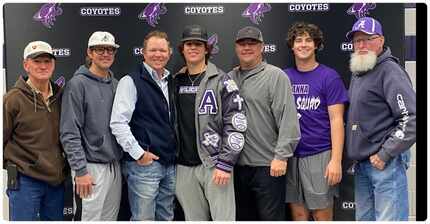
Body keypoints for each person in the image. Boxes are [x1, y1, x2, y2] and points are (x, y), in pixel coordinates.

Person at [345, 17, 416, 221]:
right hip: (363, 165)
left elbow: (411, 117)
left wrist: (385, 153)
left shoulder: (390, 71)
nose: (361, 45)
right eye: (357, 40)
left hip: (385, 165)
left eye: (368, 39)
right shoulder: (360, 71)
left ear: (381, 40)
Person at [173, 24, 246, 221]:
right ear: (182, 49)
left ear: (207, 49)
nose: (193, 48)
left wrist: (225, 163)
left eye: (198, 44)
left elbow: (236, 124)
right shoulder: (175, 81)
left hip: (214, 165)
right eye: (188, 44)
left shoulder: (222, 80)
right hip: (183, 166)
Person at [228, 26, 301, 221]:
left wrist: (281, 156)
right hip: (237, 167)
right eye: (242, 44)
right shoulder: (229, 78)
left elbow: (289, 120)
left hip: (268, 166)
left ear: (262, 47)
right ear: (236, 48)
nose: (247, 47)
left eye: (252, 43)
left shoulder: (275, 76)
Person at [283, 22, 349, 221]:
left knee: (321, 215)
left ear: (316, 45)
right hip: (291, 155)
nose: (303, 44)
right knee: (299, 215)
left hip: (320, 154)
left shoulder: (329, 77)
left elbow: (337, 120)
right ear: (292, 46)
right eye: (299, 40)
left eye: (309, 40)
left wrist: (335, 161)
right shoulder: (283, 77)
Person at [110, 30, 176, 221]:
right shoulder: (130, 81)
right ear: (144, 53)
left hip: (169, 164)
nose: (158, 54)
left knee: (166, 217)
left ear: (169, 53)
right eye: (153, 50)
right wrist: (139, 153)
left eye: (162, 50)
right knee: (143, 219)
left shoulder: (170, 81)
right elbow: (118, 123)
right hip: (144, 166)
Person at [60, 31, 123, 221]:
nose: (105, 54)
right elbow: (69, 132)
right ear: (89, 52)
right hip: (90, 168)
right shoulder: (77, 84)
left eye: (110, 50)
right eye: (99, 49)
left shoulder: (117, 84)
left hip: (114, 166)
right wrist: (80, 170)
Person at [3, 41, 66, 221]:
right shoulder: (13, 99)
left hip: (56, 181)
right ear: (26, 65)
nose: (43, 66)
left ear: (53, 64)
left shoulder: (61, 96)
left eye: (47, 61)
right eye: (37, 61)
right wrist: (19, 163)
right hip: (26, 182)